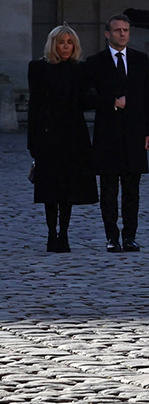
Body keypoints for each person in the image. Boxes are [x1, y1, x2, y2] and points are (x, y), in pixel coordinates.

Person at [83, 14, 149, 252]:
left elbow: (147, 97)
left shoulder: (139, 60)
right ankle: (112, 237)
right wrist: (112, 102)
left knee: (132, 191)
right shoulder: (95, 62)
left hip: (135, 135)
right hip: (107, 136)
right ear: (108, 34)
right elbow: (85, 98)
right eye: (117, 30)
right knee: (108, 191)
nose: (122, 34)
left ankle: (130, 236)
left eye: (125, 30)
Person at [27, 25, 96, 254]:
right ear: (53, 44)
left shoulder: (80, 70)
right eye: (61, 42)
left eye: (69, 42)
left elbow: (86, 101)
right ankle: (51, 234)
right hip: (47, 136)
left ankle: (64, 234)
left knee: (68, 188)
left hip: (73, 136)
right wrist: (32, 142)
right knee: (49, 189)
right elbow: (34, 106)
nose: (65, 46)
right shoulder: (38, 68)